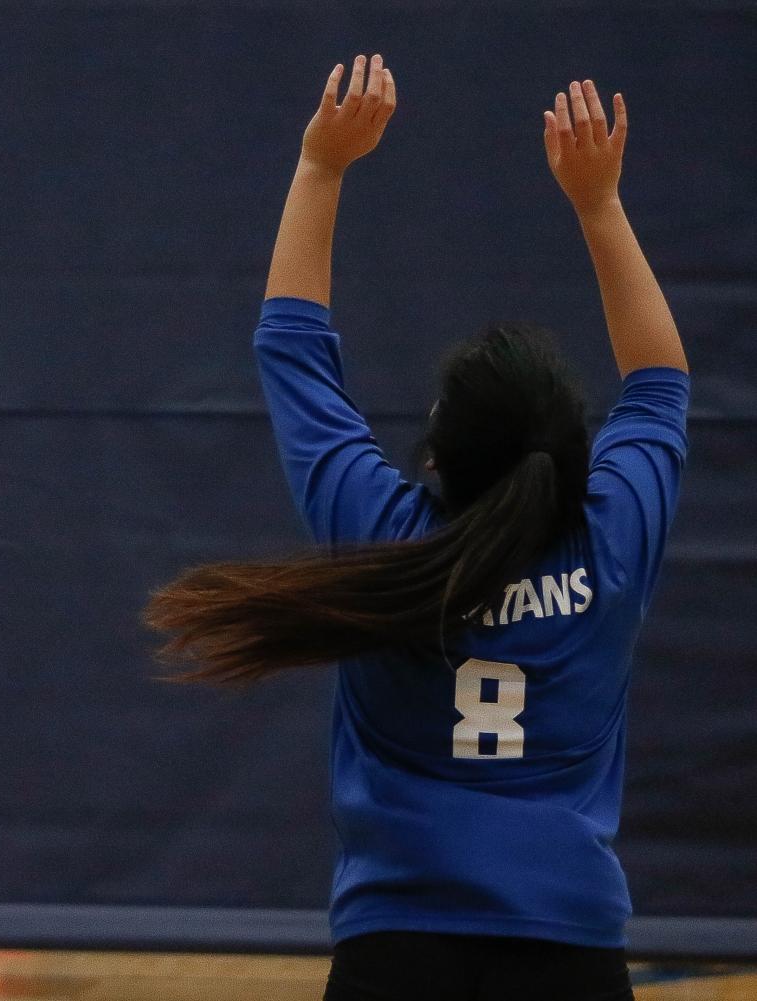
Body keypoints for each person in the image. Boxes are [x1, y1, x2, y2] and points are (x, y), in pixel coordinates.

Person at [145, 56, 688, 1001]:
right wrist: (597, 204)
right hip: (568, 947)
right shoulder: (612, 541)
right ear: (570, 447)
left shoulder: (382, 533)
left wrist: (320, 167)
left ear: (433, 455)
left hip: (394, 948)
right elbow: (659, 382)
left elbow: (291, 350)